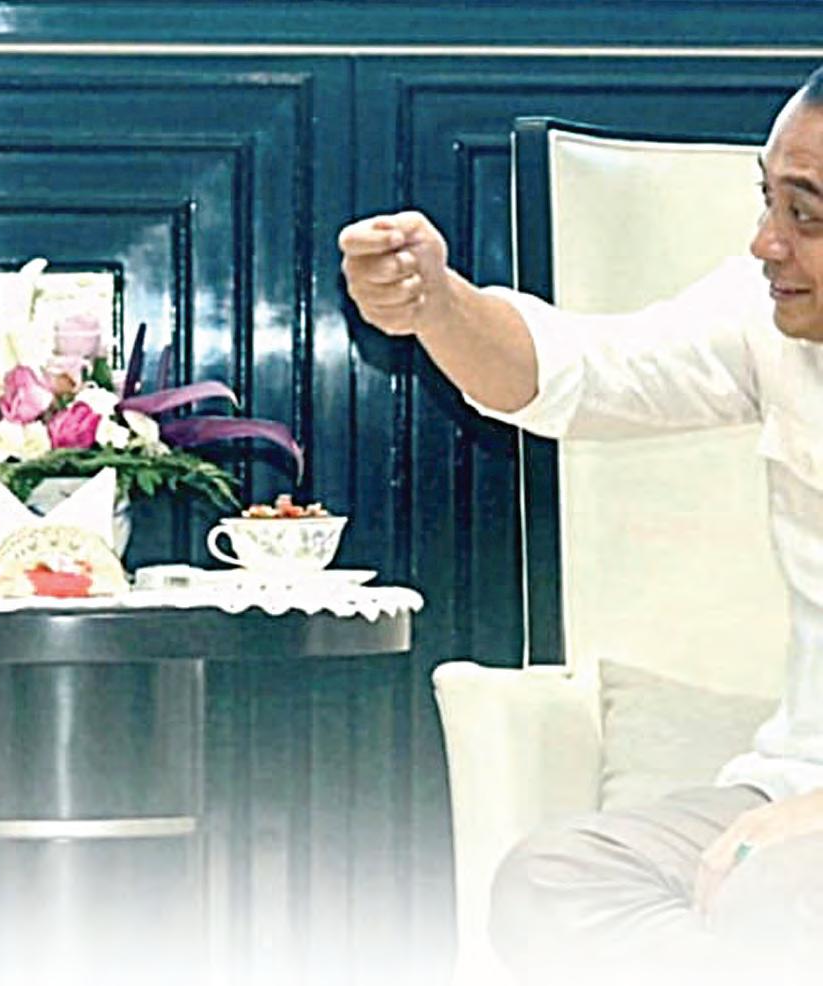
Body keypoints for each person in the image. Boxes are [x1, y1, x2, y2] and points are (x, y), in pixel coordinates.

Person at [339, 66, 823, 986]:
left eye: (805, 215)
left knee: (772, 896)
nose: (765, 242)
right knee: (550, 883)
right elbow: (582, 373)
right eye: (767, 201)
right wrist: (436, 303)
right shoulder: (765, 316)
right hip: (786, 793)